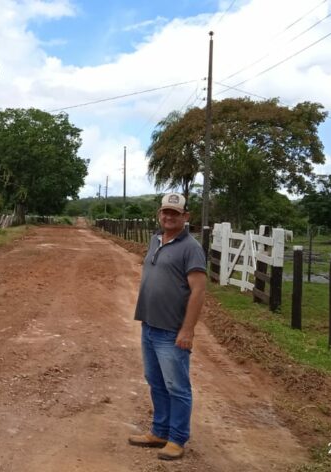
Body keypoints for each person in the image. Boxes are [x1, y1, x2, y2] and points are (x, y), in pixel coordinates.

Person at [128, 192, 206, 460]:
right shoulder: (155, 240)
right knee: (156, 382)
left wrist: (188, 330)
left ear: (186, 216)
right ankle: (159, 431)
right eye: (165, 212)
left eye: (175, 213)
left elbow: (198, 291)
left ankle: (177, 438)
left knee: (177, 386)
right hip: (149, 325)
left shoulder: (191, 247)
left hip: (172, 330)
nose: (169, 216)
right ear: (159, 214)